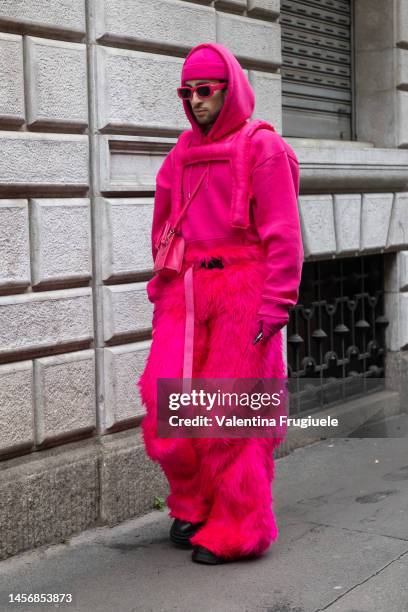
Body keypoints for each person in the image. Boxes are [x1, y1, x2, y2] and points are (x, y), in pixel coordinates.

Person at [137, 42, 304, 565]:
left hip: (243, 293)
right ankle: (194, 501)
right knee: (169, 406)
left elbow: (284, 235)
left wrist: (275, 305)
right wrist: (165, 290)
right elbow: (164, 225)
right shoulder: (181, 153)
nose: (195, 101)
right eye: (186, 92)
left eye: (205, 90)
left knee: (233, 416)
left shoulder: (263, 148)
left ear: (229, 89)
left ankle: (239, 525)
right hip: (186, 294)